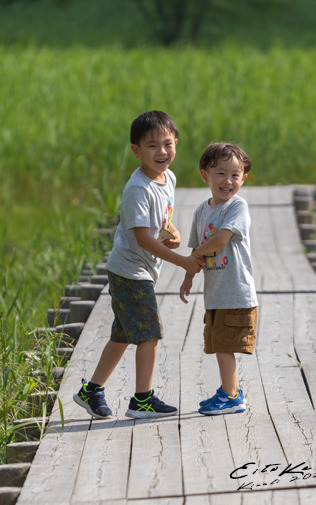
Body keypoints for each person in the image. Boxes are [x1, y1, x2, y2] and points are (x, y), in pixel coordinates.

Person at [74, 110, 204, 420]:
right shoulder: (138, 190)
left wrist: (173, 233)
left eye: (168, 144)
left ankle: (90, 391)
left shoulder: (168, 177)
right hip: (130, 271)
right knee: (149, 334)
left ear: (176, 144)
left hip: (139, 270)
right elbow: (144, 239)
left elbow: (162, 222)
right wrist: (184, 261)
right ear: (136, 150)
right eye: (152, 146)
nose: (162, 152)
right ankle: (142, 400)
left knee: (122, 335)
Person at [180, 142, 258, 416]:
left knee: (225, 345)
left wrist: (198, 253)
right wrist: (188, 276)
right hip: (216, 293)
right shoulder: (202, 210)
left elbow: (220, 240)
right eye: (221, 174)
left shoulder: (238, 207)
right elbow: (196, 249)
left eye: (235, 175)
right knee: (217, 345)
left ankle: (232, 395)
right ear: (205, 176)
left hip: (236, 291)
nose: (228, 181)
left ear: (243, 178)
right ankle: (230, 388)